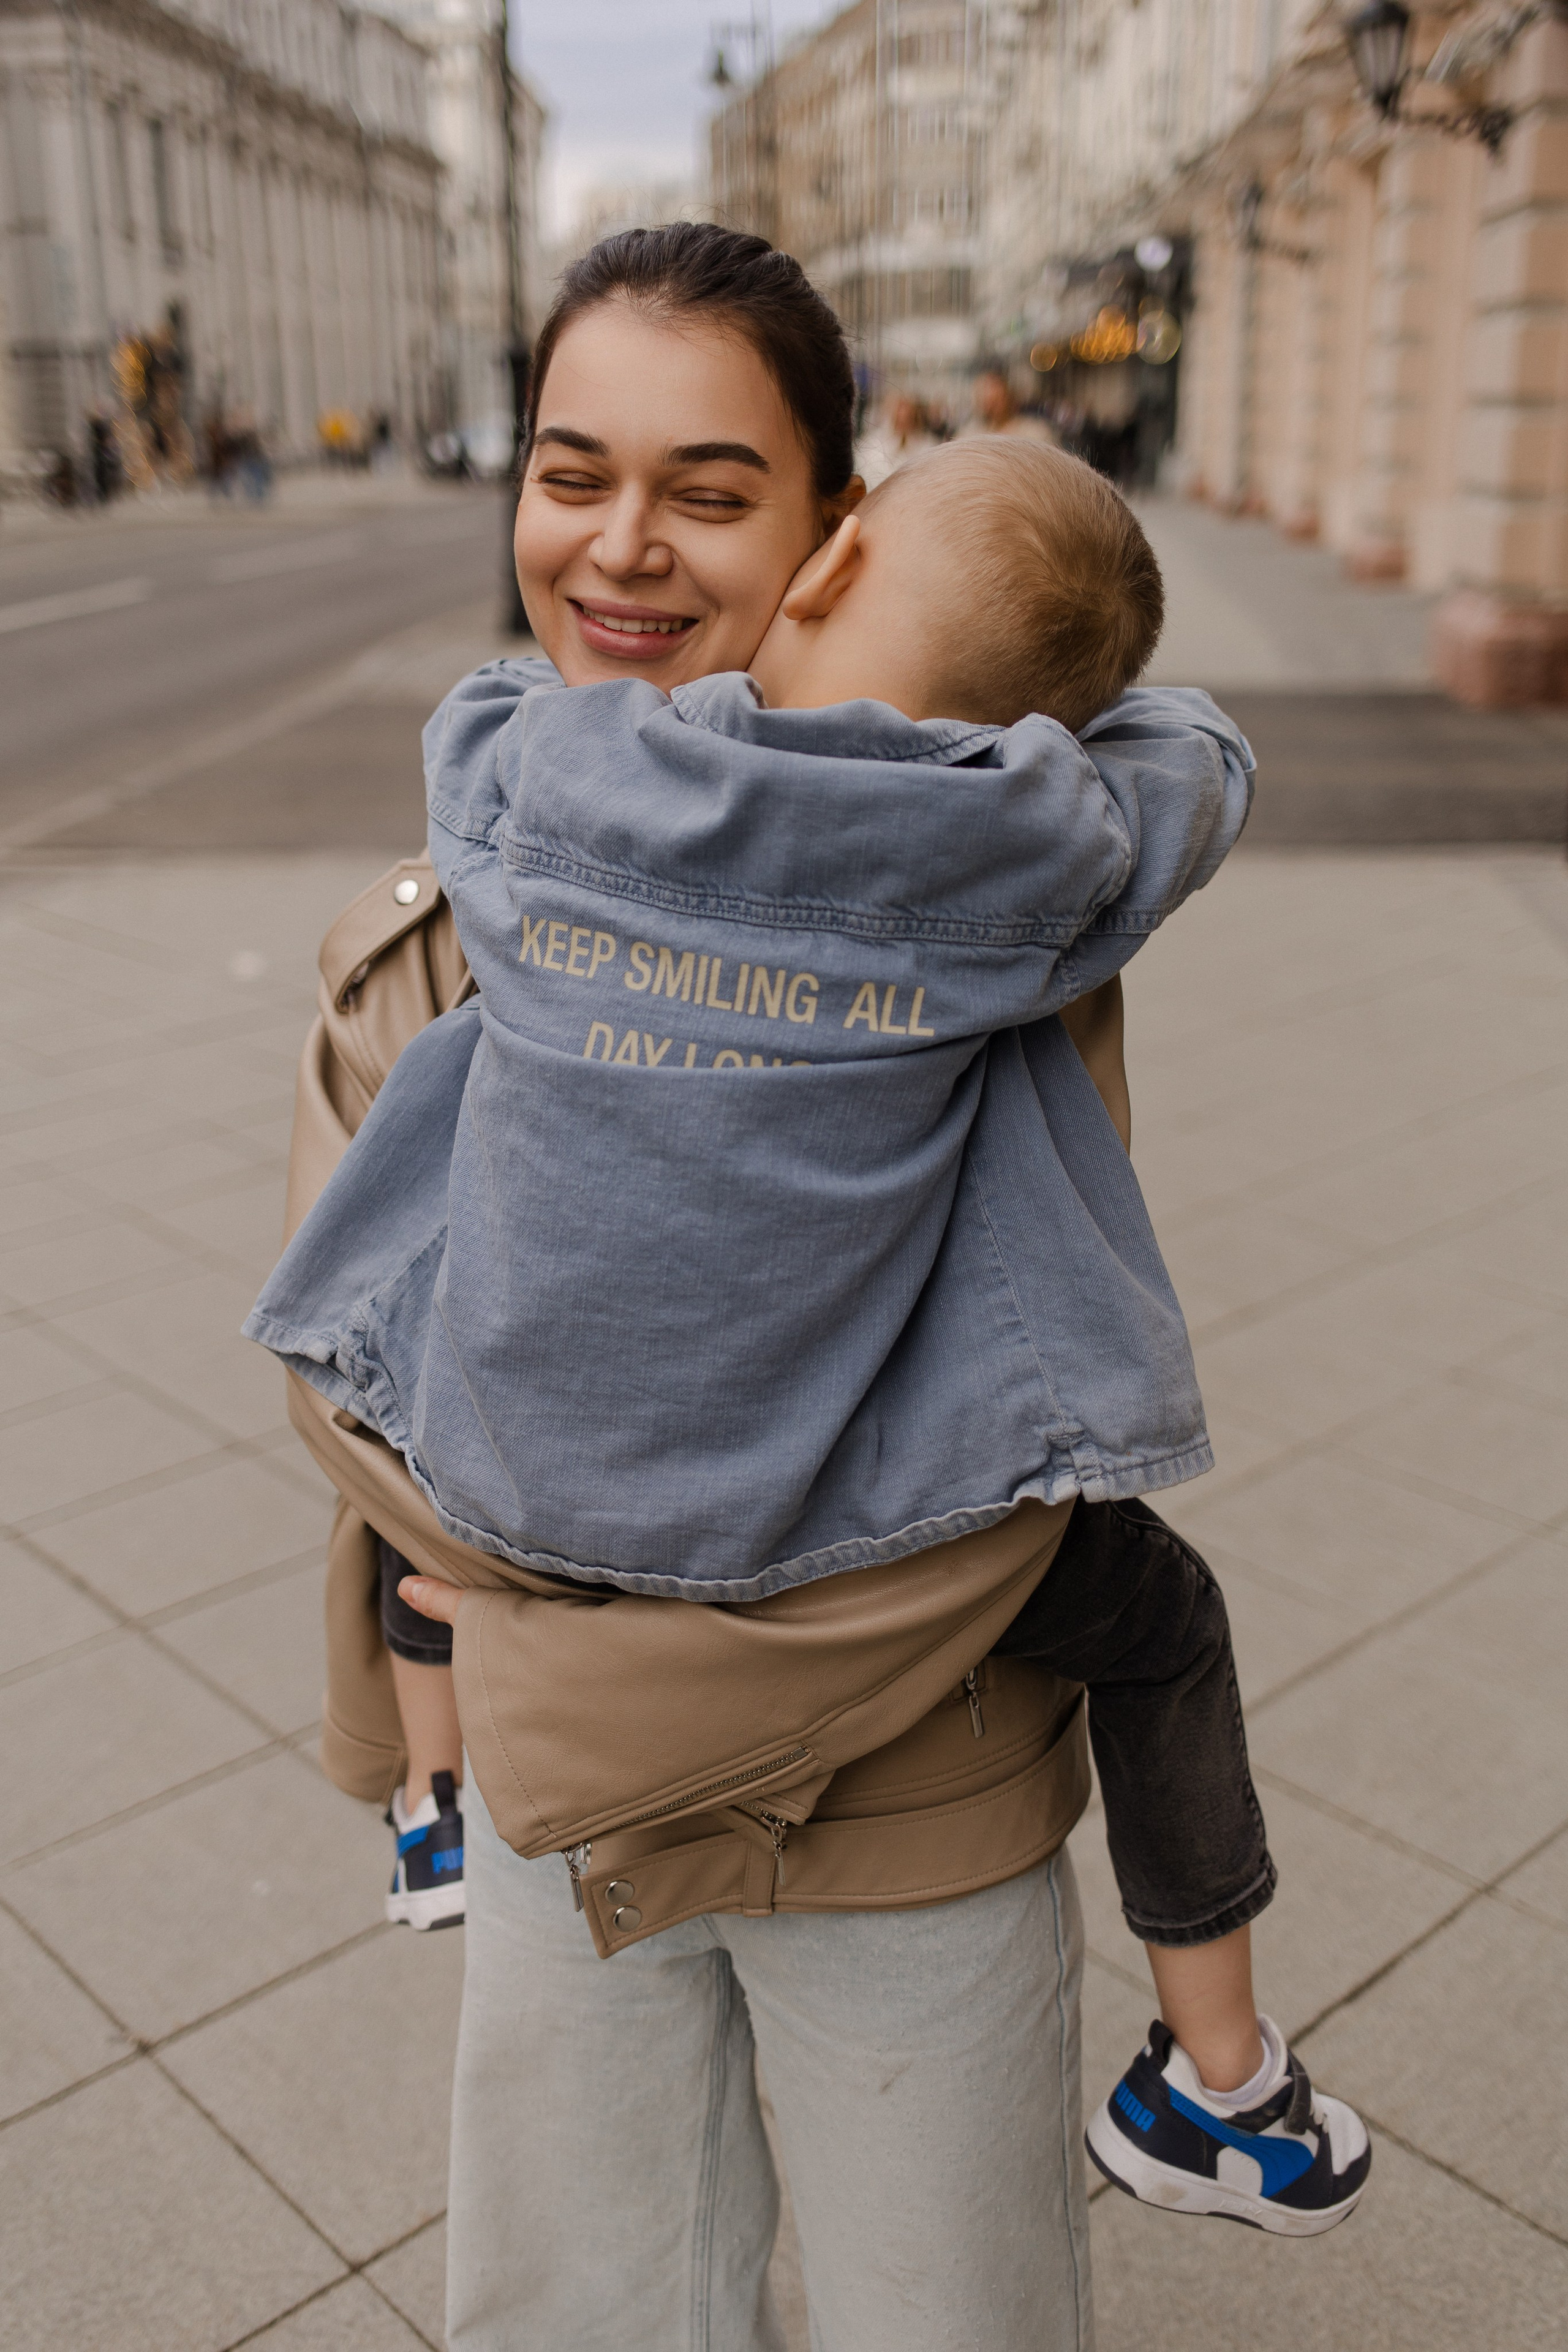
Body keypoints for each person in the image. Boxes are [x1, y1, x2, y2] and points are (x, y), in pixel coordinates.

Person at [257, 226, 1360, 2350]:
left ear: (830, 535)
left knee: (940, 2312)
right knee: (582, 2311)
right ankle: (1226, 2077)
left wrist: (523, 1648)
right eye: (572, 471)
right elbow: (353, 1446)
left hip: (883, 1808)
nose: (623, 548)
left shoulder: (530, 819)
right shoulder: (978, 866)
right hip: (573, 1817)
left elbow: (416, 1432)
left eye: (711, 488)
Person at [853, 388, 939, 487]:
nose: (903, 417)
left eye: (908, 414)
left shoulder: (927, 447)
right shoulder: (873, 446)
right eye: (899, 412)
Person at [962, 364, 1058, 446]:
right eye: (987, 401)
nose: (992, 407)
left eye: (997, 400)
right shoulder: (970, 435)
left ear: (1010, 397)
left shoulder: (1035, 433)